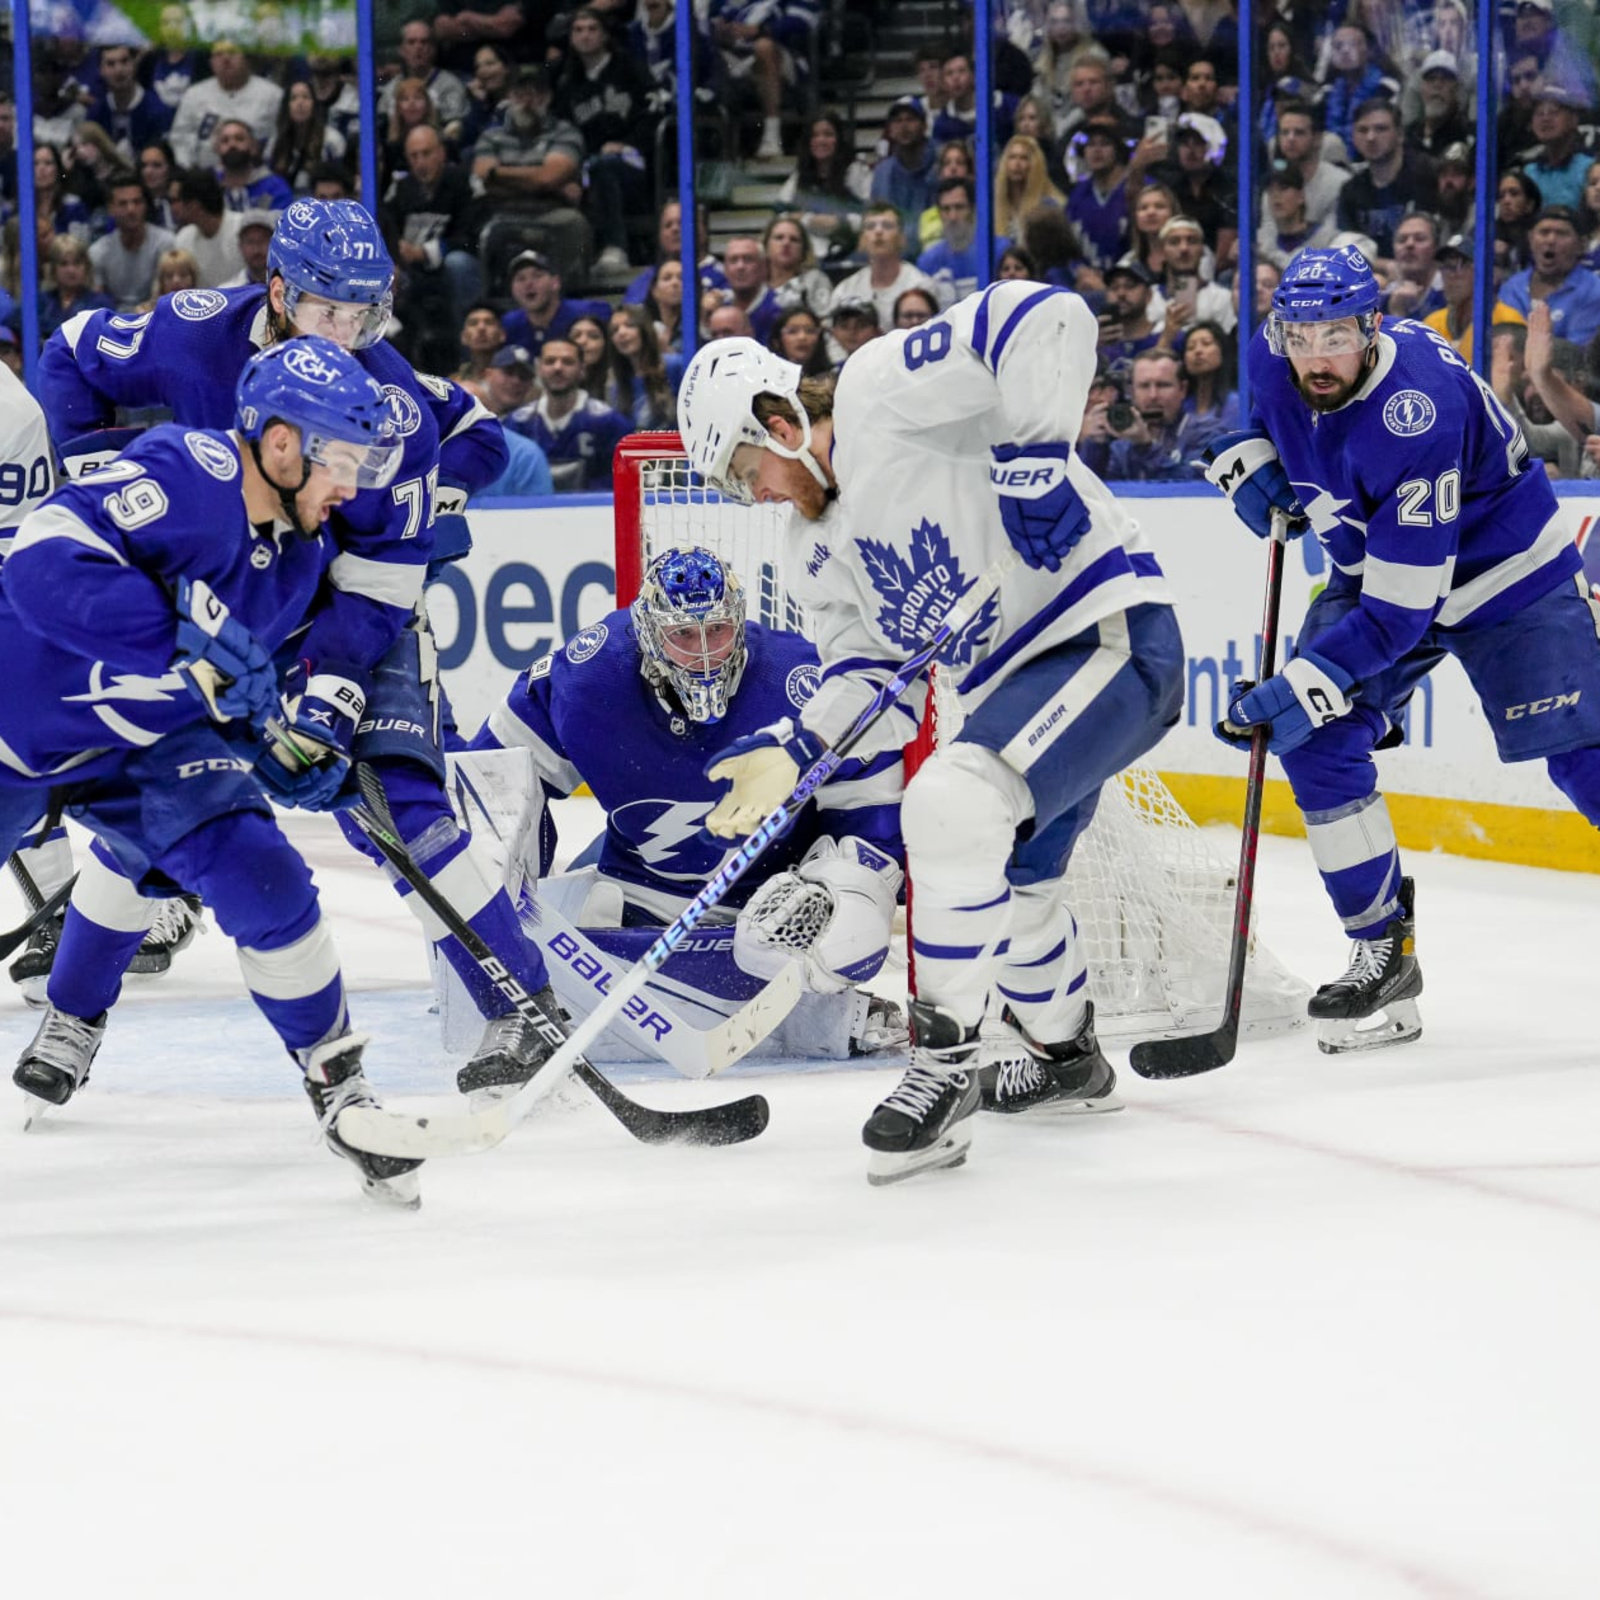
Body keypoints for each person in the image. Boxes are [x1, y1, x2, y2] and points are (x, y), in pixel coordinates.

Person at [31, 202, 566, 1099]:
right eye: (329, 312)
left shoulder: (388, 406)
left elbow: (386, 581)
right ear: (277, 291)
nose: (349, 335)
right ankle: (73, 1012)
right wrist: (98, 464)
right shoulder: (194, 333)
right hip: (229, 596)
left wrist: (332, 696)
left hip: (344, 600)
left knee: (398, 804)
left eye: (366, 316)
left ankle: (522, 1003)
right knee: (170, 807)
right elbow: (71, 353)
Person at [677, 291, 1182, 1184]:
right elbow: (873, 684)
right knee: (1014, 896)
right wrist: (794, 749)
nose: (751, 496)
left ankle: (947, 1062)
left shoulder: (879, 390)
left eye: (742, 469)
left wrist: (1034, 461)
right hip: (1015, 692)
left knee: (949, 802)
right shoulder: (811, 553)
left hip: (1105, 631)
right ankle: (1070, 1061)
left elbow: (1049, 318)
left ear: (777, 416)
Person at [4, 338, 427, 1208]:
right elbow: (39, 560)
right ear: (279, 444)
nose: (351, 485)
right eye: (341, 460)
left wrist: (272, 748)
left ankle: (337, 1082)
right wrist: (176, 641)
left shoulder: (301, 555)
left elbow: (218, 695)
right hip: (15, 727)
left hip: (136, 752)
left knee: (266, 879)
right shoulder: (190, 469)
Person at [1201, 243, 1600, 1054]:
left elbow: (1396, 618)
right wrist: (1246, 460)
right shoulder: (1273, 353)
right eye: (1301, 337)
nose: (1316, 356)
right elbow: (1260, 420)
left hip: (1504, 575)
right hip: (1376, 563)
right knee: (1315, 740)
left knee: (1583, 757)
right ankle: (1382, 949)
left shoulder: (1415, 409)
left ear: (1373, 326)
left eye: (1337, 336)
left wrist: (1300, 682)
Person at [463, 546, 907, 1067]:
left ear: (739, 623)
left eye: (716, 631)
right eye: (683, 635)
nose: (703, 654)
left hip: (773, 911)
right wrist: (500, 922)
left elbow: (870, 810)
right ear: (650, 633)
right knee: (492, 893)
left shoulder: (802, 679)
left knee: (851, 940)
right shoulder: (589, 677)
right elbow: (487, 784)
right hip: (640, 901)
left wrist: (842, 894)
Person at [505, 337, 631, 491]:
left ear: (582, 369)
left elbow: (624, 482)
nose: (558, 368)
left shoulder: (610, 423)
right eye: (550, 361)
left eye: (567, 362)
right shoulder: (517, 424)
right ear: (538, 368)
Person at [1101, 344, 1225, 479]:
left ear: (1182, 389)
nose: (1153, 395)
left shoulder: (1208, 434)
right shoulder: (1122, 443)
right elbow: (1096, 490)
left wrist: (1145, 447)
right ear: (1131, 391)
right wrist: (1096, 445)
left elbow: (1190, 487)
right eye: (1144, 386)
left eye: (1163, 385)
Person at [827, 204, 948, 332]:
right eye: (870, 226)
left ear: (902, 239)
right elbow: (833, 338)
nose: (878, 232)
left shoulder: (922, 286)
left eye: (887, 226)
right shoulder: (845, 290)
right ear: (862, 240)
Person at [169, 38, 283, 170]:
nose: (226, 59)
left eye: (232, 52)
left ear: (246, 59)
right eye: (218, 55)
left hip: (258, 174)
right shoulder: (194, 95)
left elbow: (279, 137)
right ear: (211, 63)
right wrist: (188, 170)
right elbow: (179, 138)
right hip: (205, 176)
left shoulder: (272, 95)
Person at [1495, 205, 1600, 347]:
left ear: (1581, 244)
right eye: (1544, 232)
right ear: (1531, 239)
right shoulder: (1512, 286)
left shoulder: (1593, 291)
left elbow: (1576, 354)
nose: (1550, 240)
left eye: (1561, 234)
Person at [776, 112, 872, 262]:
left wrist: (840, 223)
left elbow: (869, 216)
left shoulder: (857, 171)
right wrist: (812, 220)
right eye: (815, 135)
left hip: (850, 253)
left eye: (828, 135)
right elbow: (781, 216)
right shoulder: (799, 177)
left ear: (839, 139)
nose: (821, 140)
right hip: (809, 258)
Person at [88, 172, 179, 313]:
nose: (131, 210)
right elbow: (96, 302)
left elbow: (169, 296)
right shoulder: (98, 252)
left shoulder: (165, 243)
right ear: (111, 209)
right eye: (123, 204)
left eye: (137, 202)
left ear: (145, 205)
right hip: (115, 324)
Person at [499, 248, 612, 359]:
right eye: (520, 279)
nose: (528, 284)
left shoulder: (589, 312)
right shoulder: (509, 324)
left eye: (537, 276)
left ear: (556, 283)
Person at [170, 167, 245, 288]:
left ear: (194, 205)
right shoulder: (183, 239)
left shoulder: (243, 229)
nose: (175, 208)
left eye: (179, 201)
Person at [916, 177, 983, 303]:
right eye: (946, 209)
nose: (952, 217)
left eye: (959, 207)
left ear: (972, 209)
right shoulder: (927, 261)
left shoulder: (997, 251)